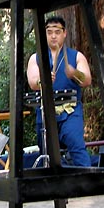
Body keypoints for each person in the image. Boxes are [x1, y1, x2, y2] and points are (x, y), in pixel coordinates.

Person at [25, 15, 93, 166]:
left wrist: (74, 73)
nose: (53, 36)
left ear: (64, 33)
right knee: (48, 154)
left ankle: (88, 185)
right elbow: (33, 82)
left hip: (70, 112)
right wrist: (43, 81)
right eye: (49, 32)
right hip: (46, 113)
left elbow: (87, 79)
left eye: (57, 31)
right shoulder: (36, 58)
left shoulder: (76, 56)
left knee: (77, 148)